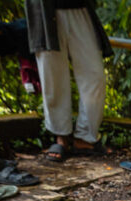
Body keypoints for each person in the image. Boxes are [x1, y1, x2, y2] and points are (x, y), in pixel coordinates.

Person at [25, 0, 112, 162]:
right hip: (43, 10)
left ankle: (85, 137)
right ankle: (61, 138)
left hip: (79, 8)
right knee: (53, 78)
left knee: (94, 75)